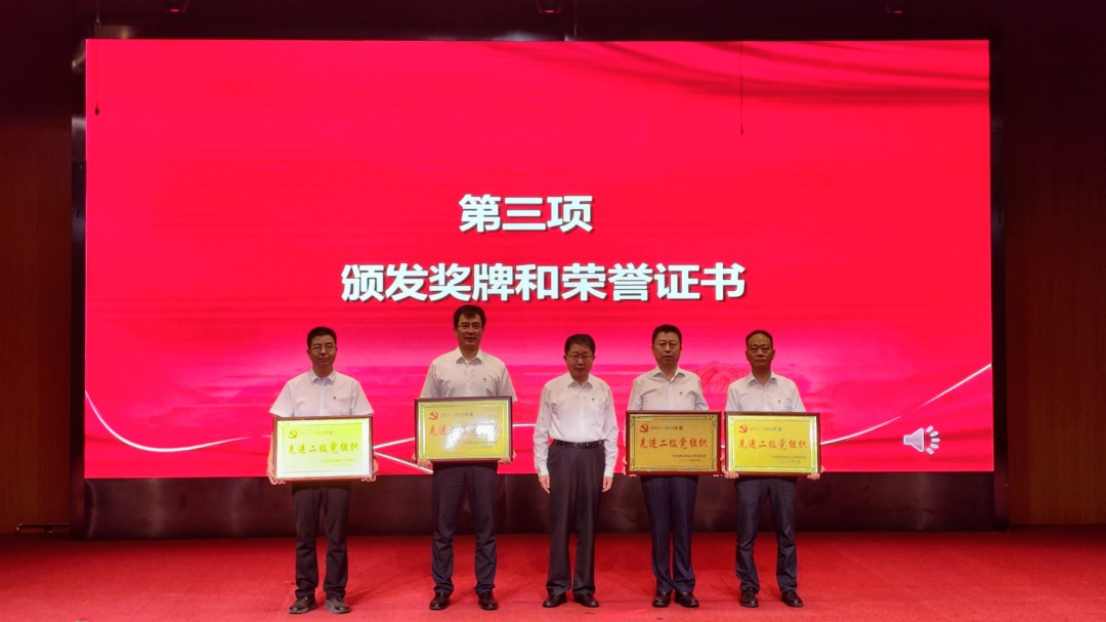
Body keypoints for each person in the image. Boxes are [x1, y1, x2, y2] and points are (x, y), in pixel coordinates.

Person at [268, 326, 376, 615]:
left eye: (329, 346)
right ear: (308, 352)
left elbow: (363, 427)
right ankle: (305, 593)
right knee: (304, 537)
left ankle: (335, 593)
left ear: (337, 350)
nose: (324, 352)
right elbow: (279, 427)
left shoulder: (351, 386)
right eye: (318, 347)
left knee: (337, 536)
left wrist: (370, 458)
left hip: (339, 474)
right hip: (303, 474)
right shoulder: (293, 386)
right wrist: (272, 461)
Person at [419, 305, 516, 612]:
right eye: (465, 325)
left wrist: (506, 445)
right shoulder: (439, 365)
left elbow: (506, 410)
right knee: (443, 527)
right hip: (447, 459)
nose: (470, 330)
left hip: (484, 458)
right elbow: (427, 409)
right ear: (455, 330)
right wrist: (424, 448)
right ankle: (442, 588)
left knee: (486, 526)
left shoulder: (497, 366)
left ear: (482, 329)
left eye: (475, 325)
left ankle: (485, 588)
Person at [723, 329, 821, 609]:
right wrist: (729, 462)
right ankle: (748, 587)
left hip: (783, 473)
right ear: (747, 354)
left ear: (773, 352)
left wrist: (813, 461)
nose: (760, 352)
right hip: (748, 475)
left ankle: (788, 587)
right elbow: (730, 428)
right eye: (754, 348)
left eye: (764, 348)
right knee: (745, 535)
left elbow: (803, 427)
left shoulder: (788, 387)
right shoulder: (736, 389)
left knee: (786, 533)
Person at [533, 334, 618, 609]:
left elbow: (611, 431)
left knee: (588, 525)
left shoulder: (603, 388)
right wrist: (542, 467)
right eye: (575, 355)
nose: (580, 361)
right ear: (565, 358)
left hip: (593, 456)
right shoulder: (552, 387)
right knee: (559, 524)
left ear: (594, 358)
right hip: (561, 456)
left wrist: (609, 468)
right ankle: (557, 587)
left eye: (585, 356)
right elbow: (540, 431)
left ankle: (584, 588)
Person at [627, 325, 709, 608]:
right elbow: (632, 421)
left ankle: (684, 586)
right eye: (662, 344)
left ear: (681, 349)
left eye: (673, 344)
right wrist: (633, 456)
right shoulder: (641, 382)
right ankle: (663, 586)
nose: (667, 349)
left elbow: (704, 421)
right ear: (652, 349)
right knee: (660, 527)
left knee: (684, 526)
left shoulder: (693, 381)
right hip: (654, 467)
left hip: (686, 466)